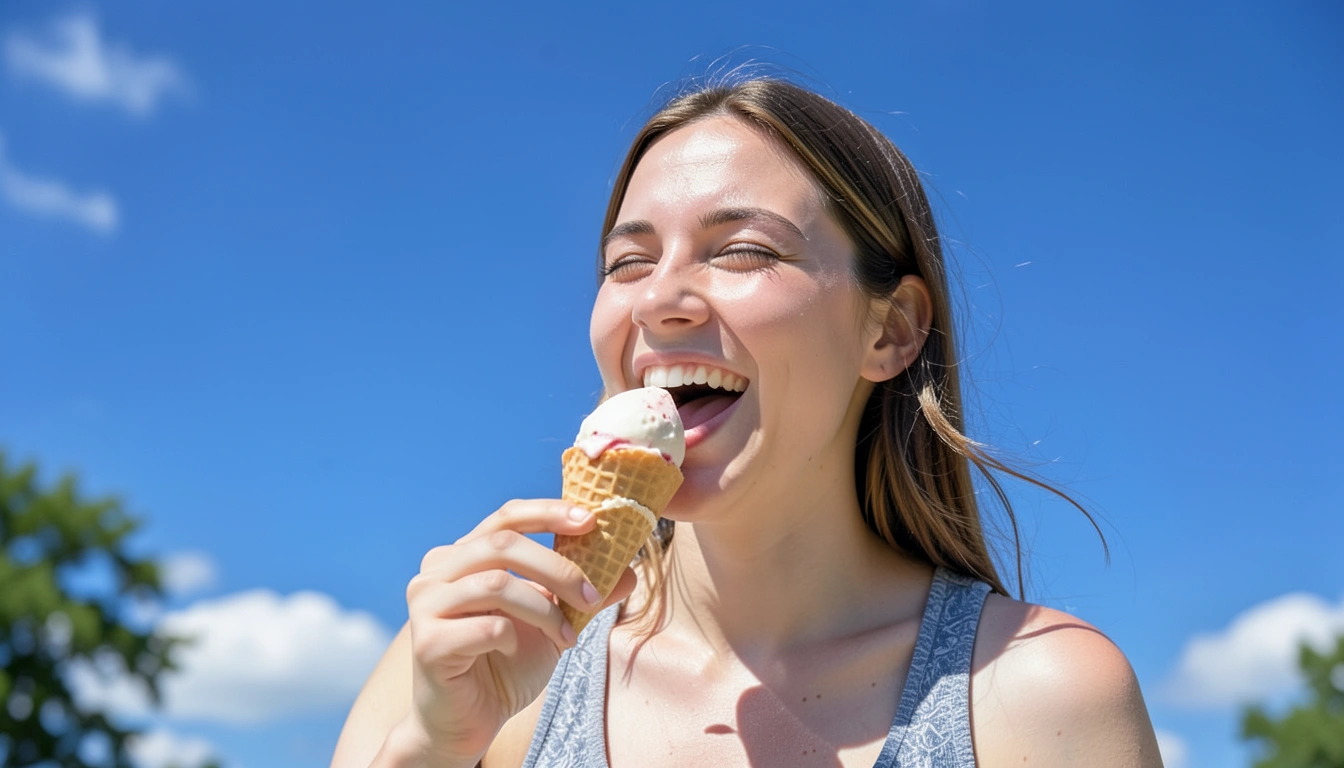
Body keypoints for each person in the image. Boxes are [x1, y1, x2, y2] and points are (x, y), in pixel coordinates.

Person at [332, 77, 1163, 767]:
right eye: (628, 263)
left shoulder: (1035, 692)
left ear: (892, 330)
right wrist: (436, 749)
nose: (658, 299)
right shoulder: (472, 658)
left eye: (743, 251)